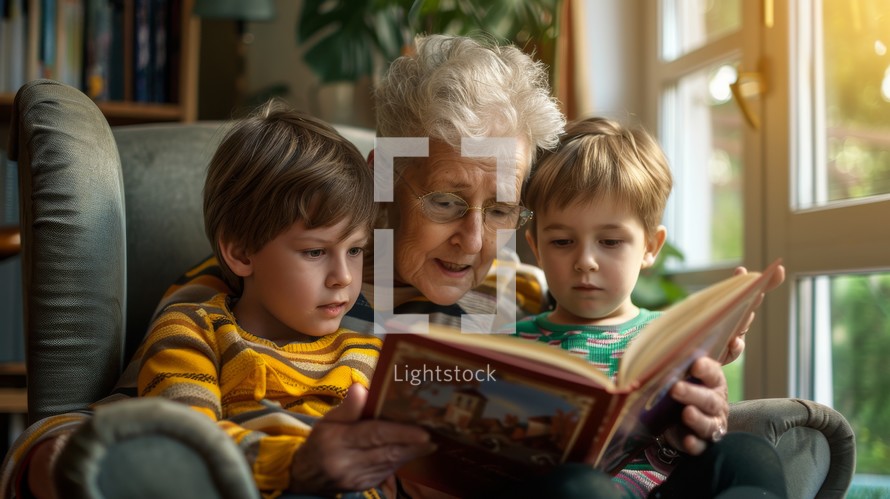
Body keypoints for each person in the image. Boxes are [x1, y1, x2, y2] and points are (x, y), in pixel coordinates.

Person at [3, 34, 781, 498]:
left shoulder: (525, 291)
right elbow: (102, 434)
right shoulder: (259, 284)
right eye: (446, 201)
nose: (475, 241)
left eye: (503, 210)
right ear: (387, 180)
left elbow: (607, 375)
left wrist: (682, 390)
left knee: (744, 454)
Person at [512, 116, 787, 498]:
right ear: (536, 247)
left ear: (650, 247)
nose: (585, 261)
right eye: (561, 242)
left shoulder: (670, 341)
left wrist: (706, 402)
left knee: (749, 455)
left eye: (609, 242)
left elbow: (704, 430)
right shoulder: (509, 347)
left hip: (666, 488)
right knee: (578, 487)